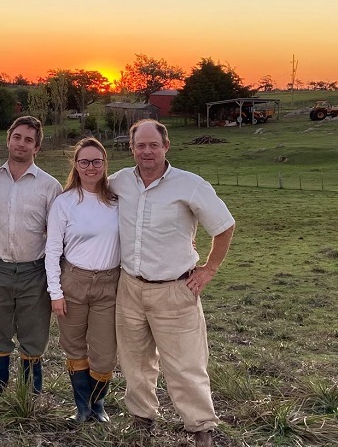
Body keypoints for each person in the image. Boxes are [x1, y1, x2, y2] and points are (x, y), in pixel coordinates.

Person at [109, 119, 235, 447]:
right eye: (140, 145)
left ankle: (200, 428)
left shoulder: (189, 184)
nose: (146, 151)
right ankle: (142, 418)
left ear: (166, 146)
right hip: (130, 285)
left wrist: (209, 268)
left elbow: (223, 225)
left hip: (175, 289)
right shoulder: (120, 181)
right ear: (131, 147)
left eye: (153, 145)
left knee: (185, 363)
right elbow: (90, 196)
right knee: (135, 360)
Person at [0, 116, 62, 394]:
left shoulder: (50, 186)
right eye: (17, 137)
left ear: (37, 148)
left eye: (29, 140)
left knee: (34, 335)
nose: (22, 144)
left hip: (34, 272)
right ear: (8, 139)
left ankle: (30, 399)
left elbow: (58, 235)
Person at [45, 137, 120, 423]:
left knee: (104, 355)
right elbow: (52, 251)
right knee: (74, 347)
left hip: (109, 284)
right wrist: (55, 293)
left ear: (104, 164)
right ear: (76, 166)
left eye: (96, 161)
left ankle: (97, 403)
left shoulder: (116, 201)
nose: (91, 167)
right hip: (73, 282)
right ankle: (83, 409)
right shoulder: (64, 203)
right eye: (84, 162)